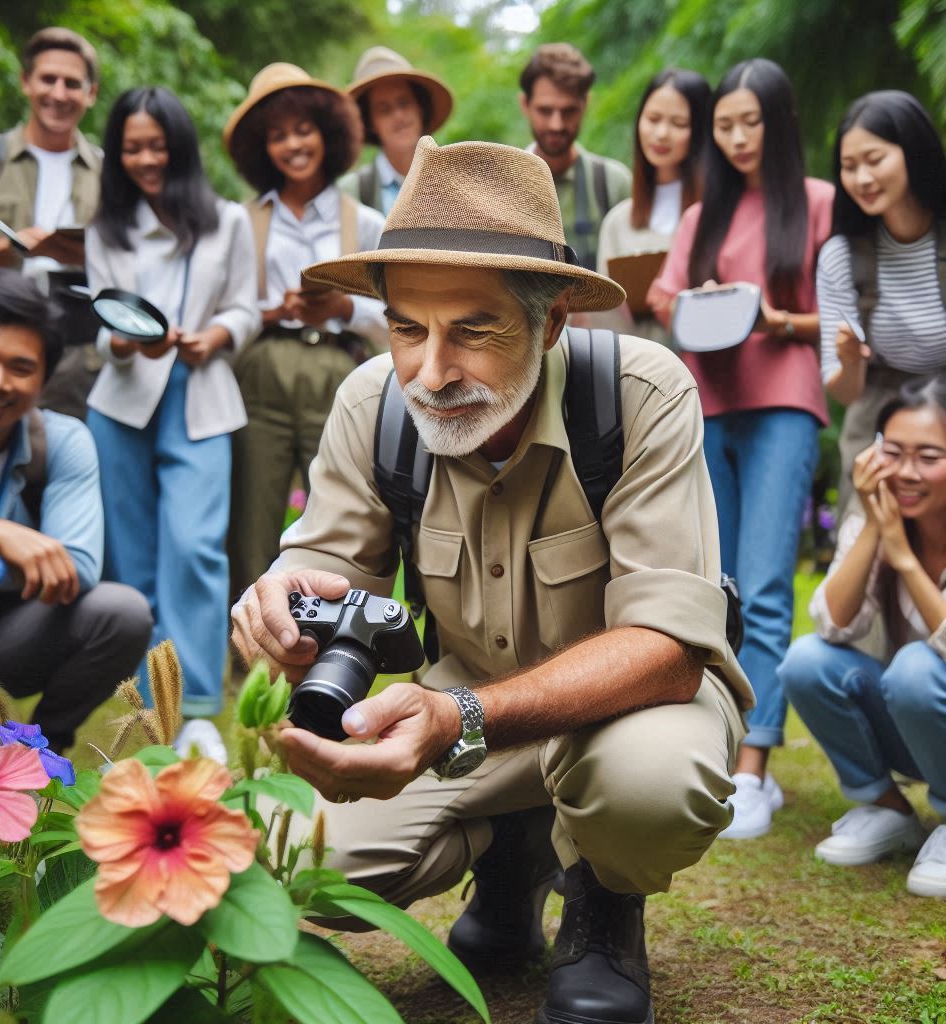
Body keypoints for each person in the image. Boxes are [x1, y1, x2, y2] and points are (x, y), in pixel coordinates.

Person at [232, 136, 752, 1024]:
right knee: (288, 865)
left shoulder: (639, 395)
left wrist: (462, 716)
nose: (430, 373)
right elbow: (325, 562)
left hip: (628, 713)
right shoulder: (372, 405)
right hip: (460, 717)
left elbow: (670, 653)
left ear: (551, 325)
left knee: (648, 785)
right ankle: (513, 863)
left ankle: (601, 902)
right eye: (406, 328)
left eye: (473, 329)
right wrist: (281, 598)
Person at [649, 59, 835, 840]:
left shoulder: (820, 203)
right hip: (708, 404)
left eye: (748, 123)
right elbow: (660, 296)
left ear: (779, 122)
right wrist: (686, 303)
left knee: (762, 583)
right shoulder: (702, 217)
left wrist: (774, 320)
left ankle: (754, 769)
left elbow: (845, 317)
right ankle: (717, 750)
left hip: (785, 404)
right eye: (723, 126)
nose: (734, 138)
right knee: (714, 589)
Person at [84, 87, 258, 761]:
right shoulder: (106, 227)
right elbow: (104, 320)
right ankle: (148, 705)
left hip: (201, 395)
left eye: (158, 145)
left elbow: (246, 307)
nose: (146, 158)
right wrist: (123, 342)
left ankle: (196, 711)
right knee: (133, 561)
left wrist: (213, 337)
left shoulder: (227, 222)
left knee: (194, 548)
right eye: (132, 147)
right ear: (117, 153)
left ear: (181, 147)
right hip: (122, 402)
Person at [0, 270, 152, 751]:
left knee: (121, 612)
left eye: (20, 367)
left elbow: (78, 568)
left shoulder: (62, 441)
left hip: (3, 638)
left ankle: (33, 754)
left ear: (44, 378)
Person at [223, 64, 389, 603]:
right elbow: (228, 304)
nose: (293, 145)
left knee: (336, 508)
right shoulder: (243, 221)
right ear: (261, 147)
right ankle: (249, 655)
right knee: (253, 509)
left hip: (337, 366)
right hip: (263, 367)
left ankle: (331, 641)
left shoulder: (361, 221)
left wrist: (340, 307)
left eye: (303, 130)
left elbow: (392, 312)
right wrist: (275, 312)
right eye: (278, 135)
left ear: (328, 133)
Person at [779, 377, 946, 898]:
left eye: (929, 456)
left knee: (917, 667)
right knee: (808, 660)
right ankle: (888, 808)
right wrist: (876, 528)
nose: (907, 473)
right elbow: (832, 622)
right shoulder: (881, 512)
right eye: (892, 453)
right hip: (924, 726)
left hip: (925, 691)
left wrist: (902, 556)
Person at [0, 27, 104, 421]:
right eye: (48, 79)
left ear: (90, 93)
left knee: (63, 464)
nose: (59, 94)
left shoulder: (108, 171)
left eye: (72, 83)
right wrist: (14, 248)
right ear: (26, 82)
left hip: (79, 360)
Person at [816, 91, 946, 518]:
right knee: (862, 530)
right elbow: (845, 389)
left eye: (875, 159)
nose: (862, 178)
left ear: (913, 152)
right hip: (880, 409)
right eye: (849, 167)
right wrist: (850, 359)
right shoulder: (841, 255)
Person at [597, 68, 710, 345]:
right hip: (637, 372)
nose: (661, 133)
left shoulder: (713, 218)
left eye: (678, 123)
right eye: (653, 119)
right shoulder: (618, 222)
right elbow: (605, 317)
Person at [519, 43, 632, 270]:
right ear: (525, 104)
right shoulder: (503, 182)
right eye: (545, 110)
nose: (556, 124)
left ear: (585, 104)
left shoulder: (613, 182)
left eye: (569, 111)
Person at [340, 47, 453, 215]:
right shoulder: (351, 192)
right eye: (384, 109)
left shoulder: (454, 178)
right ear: (369, 122)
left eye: (404, 103)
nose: (398, 116)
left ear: (420, 108)